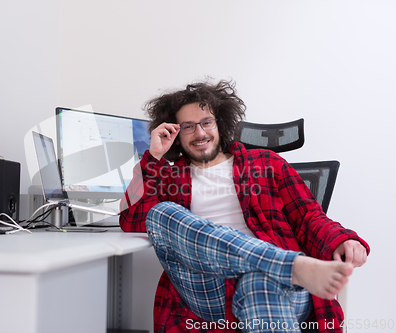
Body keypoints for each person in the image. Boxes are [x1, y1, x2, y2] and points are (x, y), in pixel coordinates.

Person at [119, 79, 369, 333]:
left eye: (206, 122)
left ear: (220, 123)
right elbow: (131, 218)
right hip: (207, 287)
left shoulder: (267, 163)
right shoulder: (170, 177)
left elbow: (308, 216)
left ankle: (279, 267)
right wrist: (154, 156)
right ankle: (289, 265)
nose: (200, 133)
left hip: (275, 286)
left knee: (258, 282)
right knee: (160, 213)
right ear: (176, 133)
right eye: (188, 127)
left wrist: (341, 240)